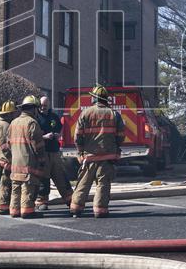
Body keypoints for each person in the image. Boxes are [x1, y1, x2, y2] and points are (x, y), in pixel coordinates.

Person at [70, 85, 125, 218]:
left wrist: (80, 152)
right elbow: (121, 136)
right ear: (106, 99)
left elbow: (77, 136)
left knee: (83, 183)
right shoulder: (114, 114)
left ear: (94, 98)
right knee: (103, 184)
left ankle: (76, 209)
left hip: (89, 156)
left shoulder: (85, 113)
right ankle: (100, 210)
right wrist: (115, 149)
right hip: (108, 157)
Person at [7, 95, 47, 218]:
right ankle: (27, 211)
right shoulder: (32, 123)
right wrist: (42, 160)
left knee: (16, 187)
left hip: (15, 164)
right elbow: (38, 145)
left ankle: (14, 211)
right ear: (34, 109)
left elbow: (8, 143)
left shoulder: (13, 123)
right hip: (28, 164)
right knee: (27, 187)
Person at [34, 95, 72, 211]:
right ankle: (42, 202)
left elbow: (60, 130)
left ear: (49, 105)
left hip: (54, 152)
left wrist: (57, 135)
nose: (43, 108)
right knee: (43, 179)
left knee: (60, 176)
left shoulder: (54, 117)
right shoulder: (35, 118)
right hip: (43, 152)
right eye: (41, 105)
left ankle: (70, 200)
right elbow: (33, 136)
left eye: (45, 106)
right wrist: (44, 136)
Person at [0, 100, 16, 216]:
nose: (14, 115)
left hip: (6, 160)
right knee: (6, 184)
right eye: (12, 113)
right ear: (8, 114)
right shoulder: (4, 125)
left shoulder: (4, 124)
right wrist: (11, 157)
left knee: (8, 184)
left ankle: (5, 206)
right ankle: (3, 207)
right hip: (6, 160)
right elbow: (4, 145)